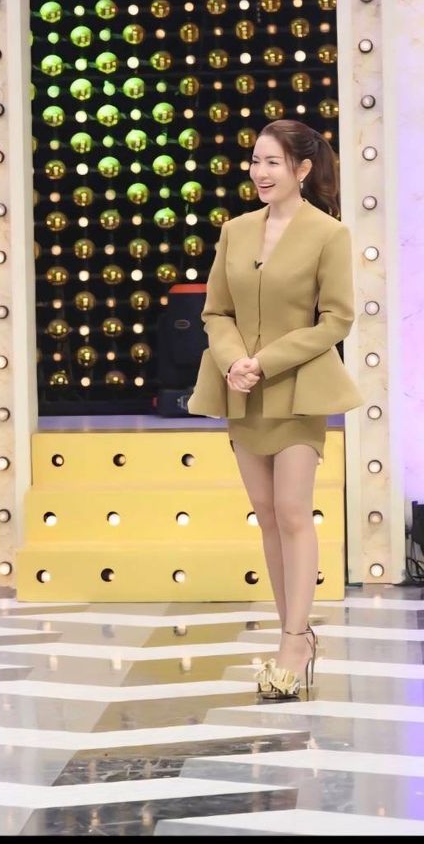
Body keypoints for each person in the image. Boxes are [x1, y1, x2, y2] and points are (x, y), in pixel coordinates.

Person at [188, 119, 361, 700]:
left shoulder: (328, 234)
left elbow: (336, 319)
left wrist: (265, 361)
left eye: (272, 162)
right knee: (265, 514)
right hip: (241, 387)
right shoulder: (235, 230)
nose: (259, 172)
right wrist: (235, 361)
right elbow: (216, 311)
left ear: (302, 169)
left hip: (297, 387)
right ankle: (296, 631)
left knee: (291, 511)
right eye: (255, 161)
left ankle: (293, 641)